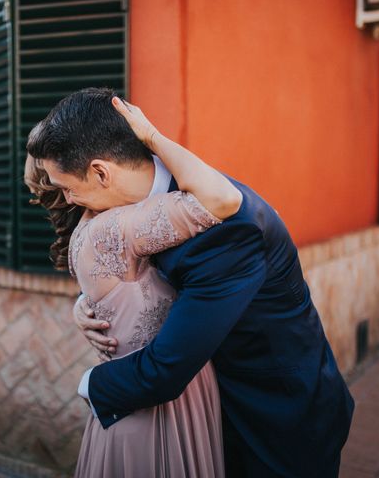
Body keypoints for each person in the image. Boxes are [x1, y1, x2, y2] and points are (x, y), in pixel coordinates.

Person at [28, 88, 355, 478]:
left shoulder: (226, 232)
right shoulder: (143, 207)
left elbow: (165, 369)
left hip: (274, 417)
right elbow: (133, 271)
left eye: (67, 187)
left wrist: (89, 384)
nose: (68, 200)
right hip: (211, 406)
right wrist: (90, 301)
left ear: (101, 171)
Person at [25, 102, 242, 476]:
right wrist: (152, 138)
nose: (69, 199)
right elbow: (223, 199)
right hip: (155, 392)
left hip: (147, 386)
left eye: (67, 188)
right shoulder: (110, 229)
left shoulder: (98, 224)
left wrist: (84, 302)